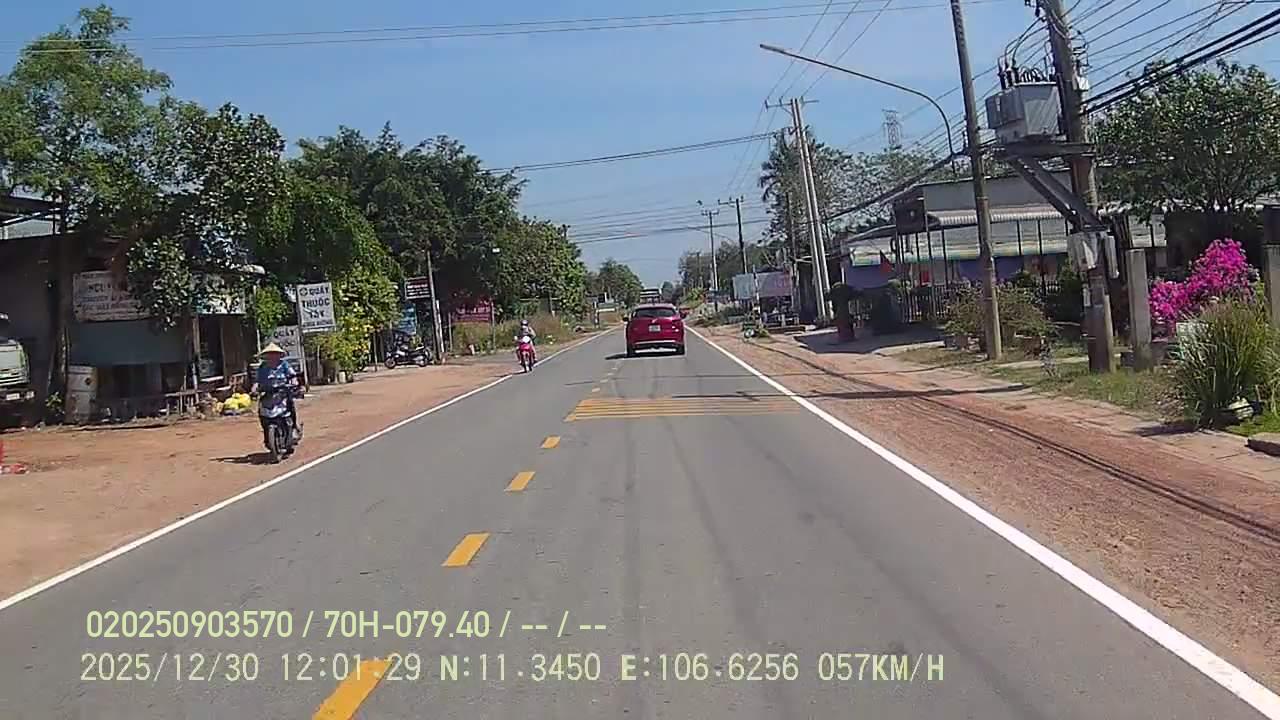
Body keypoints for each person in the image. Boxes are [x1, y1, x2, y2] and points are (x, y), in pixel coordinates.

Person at [250, 343, 302, 444]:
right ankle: (267, 436)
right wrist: (254, 389)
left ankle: (294, 428)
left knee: (290, 406)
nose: (272, 356)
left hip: (283, 392)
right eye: (270, 354)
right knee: (262, 413)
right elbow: (257, 381)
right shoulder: (263, 367)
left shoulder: (284, 365)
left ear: (279, 355)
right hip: (268, 393)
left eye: (274, 354)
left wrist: (294, 383)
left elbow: (292, 376)